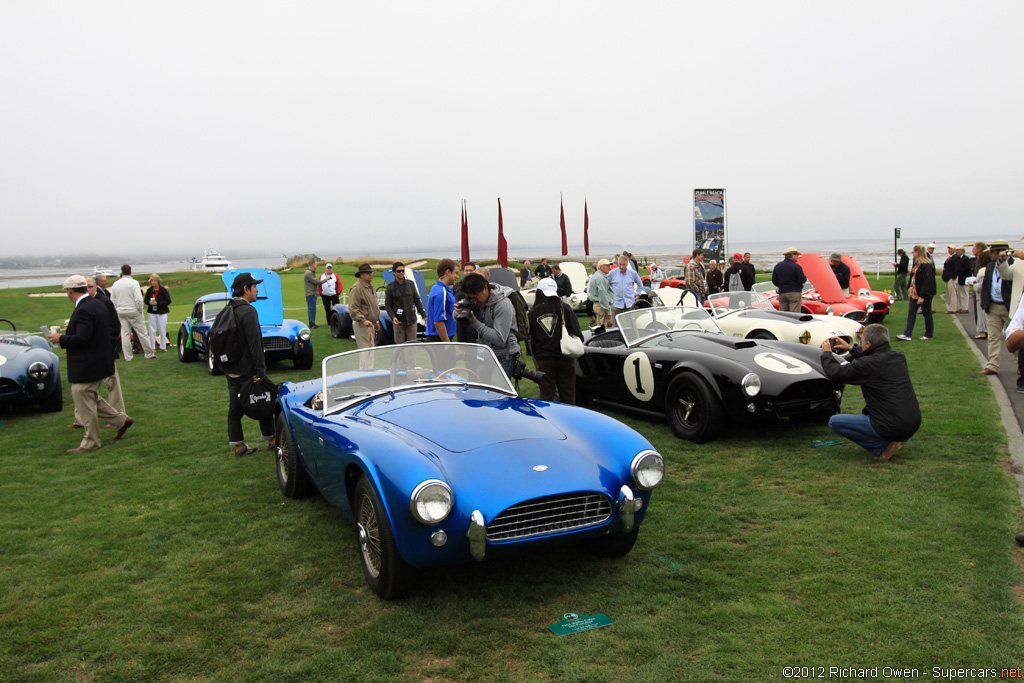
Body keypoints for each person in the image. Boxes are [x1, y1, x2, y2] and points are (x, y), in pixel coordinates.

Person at [47, 275, 134, 453]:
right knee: (87, 394)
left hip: (88, 362)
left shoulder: (85, 309)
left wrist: (61, 338)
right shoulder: (97, 304)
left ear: (70, 291)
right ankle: (120, 420)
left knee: (81, 393)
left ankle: (91, 441)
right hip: (99, 359)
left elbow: (82, 338)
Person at [819, 324, 921, 460]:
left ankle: (882, 447)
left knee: (835, 422)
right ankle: (897, 437)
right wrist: (851, 349)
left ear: (869, 344)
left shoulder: (867, 364)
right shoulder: (898, 357)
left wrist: (826, 354)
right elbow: (875, 357)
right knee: (894, 420)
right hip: (912, 422)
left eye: (863, 342)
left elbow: (836, 373)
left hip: (892, 425)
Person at [222, 272, 275, 456]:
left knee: (234, 409)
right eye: (254, 286)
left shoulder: (230, 308)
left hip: (231, 370)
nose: (257, 289)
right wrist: (260, 370)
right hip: (248, 371)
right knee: (266, 401)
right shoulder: (249, 311)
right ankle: (272, 439)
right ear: (246, 289)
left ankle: (238, 446)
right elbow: (255, 344)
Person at [529, 277, 583, 404]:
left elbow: (532, 338)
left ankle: (548, 421)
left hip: (544, 360)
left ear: (539, 292)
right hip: (566, 357)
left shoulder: (534, 312)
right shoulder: (565, 308)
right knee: (568, 394)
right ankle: (568, 420)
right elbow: (577, 333)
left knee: (547, 396)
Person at [458, 272, 520, 377]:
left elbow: (500, 339)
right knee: (481, 388)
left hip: (503, 355)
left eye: (476, 297)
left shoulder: (503, 304)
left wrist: (475, 323)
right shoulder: (480, 301)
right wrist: (459, 313)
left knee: (497, 390)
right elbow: (462, 320)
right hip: (486, 354)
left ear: (486, 288)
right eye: (471, 298)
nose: (474, 301)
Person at [978, 240, 1013, 375]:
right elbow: (987, 285)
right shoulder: (991, 266)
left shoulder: (1014, 265)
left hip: (1009, 307)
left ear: (999, 252)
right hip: (993, 306)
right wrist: (985, 302)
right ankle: (992, 365)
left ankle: (1020, 365)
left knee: (1014, 338)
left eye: (992, 252)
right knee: (993, 338)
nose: (990, 254)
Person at [110, 264, 156, 360]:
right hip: (133, 310)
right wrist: (140, 309)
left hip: (121, 310)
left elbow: (113, 300)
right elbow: (138, 299)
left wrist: (116, 310)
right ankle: (149, 354)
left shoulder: (115, 284)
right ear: (130, 272)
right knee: (142, 332)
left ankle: (128, 356)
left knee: (125, 334)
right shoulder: (134, 283)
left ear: (122, 272)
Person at [896, 244, 936, 341]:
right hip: (915, 293)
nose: (912, 254)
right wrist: (910, 287)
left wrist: (922, 296)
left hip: (924, 294)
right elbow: (914, 277)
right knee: (911, 312)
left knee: (926, 313)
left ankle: (928, 333)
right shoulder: (917, 264)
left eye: (913, 252)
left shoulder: (927, 265)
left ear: (917, 252)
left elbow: (927, 281)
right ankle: (907, 334)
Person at [384, 262, 425, 343]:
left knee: (412, 346)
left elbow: (417, 300)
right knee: (400, 348)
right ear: (394, 273)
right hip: (399, 322)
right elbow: (388, 305)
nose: (401, 273)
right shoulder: (390, 287)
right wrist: (393, 317)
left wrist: (424, 315)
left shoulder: (410, 284)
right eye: (399, 271)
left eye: (403, 271)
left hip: (411, 321)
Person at [349, 264, 380, 349]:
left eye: (371, 272)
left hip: (371, 324)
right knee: (366, 352)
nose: (371, 274)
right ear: (361, 275)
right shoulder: (357, 288)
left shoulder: (370, 287)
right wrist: (363, 320)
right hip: (362, 324)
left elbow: (372, 306)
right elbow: (353, 309)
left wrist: (376, 321)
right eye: (368, 273)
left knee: (370, 350)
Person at [426, 258, 458, 342]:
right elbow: (438, 321)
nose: (457, 277)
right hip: (439, 339)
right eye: (456, 273)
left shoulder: (439, 288)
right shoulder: (441, 292)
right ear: (448, 272)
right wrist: (447, 343)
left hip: (440, 338)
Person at [607, 255, 643, 324]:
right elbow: (605, 284)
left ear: (627, 264)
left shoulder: (632, 273)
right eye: (620, 264)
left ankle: (631, 334)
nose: (622, 267)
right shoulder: (612, 273)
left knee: (631, 324)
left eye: (624, 265)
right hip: (616, 303)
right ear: (618, 263)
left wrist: (638, 295)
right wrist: (609, 297)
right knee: (615, 325)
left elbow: (640, 284)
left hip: (629, 302)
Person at [772, 247, 806, 312]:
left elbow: (774, 280)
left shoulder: (778, 266)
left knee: (784, 314)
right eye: (796, 255)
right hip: (794, 292)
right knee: (794, 313)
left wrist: (781, 285)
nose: (797, 257)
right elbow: (802, 280)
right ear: (792, 255)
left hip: (782, 292)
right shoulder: (797, 267)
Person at [143, 274, 171, 352]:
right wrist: (149, 303)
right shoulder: (149, 290)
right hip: (152, 312)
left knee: (162, 329)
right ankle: (152, 347)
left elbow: (168, 301)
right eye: (152, 281)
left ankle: (163, 346)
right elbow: (145, 300)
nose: (153, 282)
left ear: (158, 281)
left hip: (162, 312)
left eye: (154, 280)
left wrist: (157, 303)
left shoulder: (163, 290)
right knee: (152, 330)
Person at [970, 242, 991, 339]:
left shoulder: (983, 271)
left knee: (981, 313)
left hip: (981, 295)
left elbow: (981, 286)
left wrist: (974, 285)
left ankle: (983, 331)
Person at [588, 258, 614, 327]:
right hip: (601, 306)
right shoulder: (600, 278)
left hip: (600, 305)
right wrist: (608, 310)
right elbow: (603, 295)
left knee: (601, 326)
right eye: (607, 266)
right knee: (603, 328)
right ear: (601, 267)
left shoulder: (598, 276)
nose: (609, 268)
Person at [941, 245, 963, 313]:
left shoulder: (956, 258)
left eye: (951, 249)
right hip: (947, 277)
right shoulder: (950, 257)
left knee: (952, 293)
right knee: (949, 293)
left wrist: (953, 277)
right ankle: (950, 307)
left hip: (951, 278)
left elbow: (957, 269)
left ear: (954, 250)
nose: (949, 250)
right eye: (949, 249)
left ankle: (952, 308)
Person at [954, 245, 971, 313]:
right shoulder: (959, 259)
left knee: (964, 294)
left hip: (965, 278)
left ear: (963, 251)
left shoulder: (966, 259)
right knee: (960, 294)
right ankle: (961, 307)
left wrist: (958, 270)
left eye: (959, 250)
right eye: (957, 250)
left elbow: (967, 269)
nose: (957, 251)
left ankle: (965, 307)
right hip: (960, 278)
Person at [303, 259, 319, 328]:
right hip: (310, 293)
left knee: (313, 309)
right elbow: (316, 282)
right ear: (313, 265)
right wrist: (325, 279)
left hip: (312, 293)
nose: (316, 266)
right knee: (312, 309)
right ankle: (312, 324)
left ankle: (312, 323)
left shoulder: (311, 272)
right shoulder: (308, 273)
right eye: (316, 264)